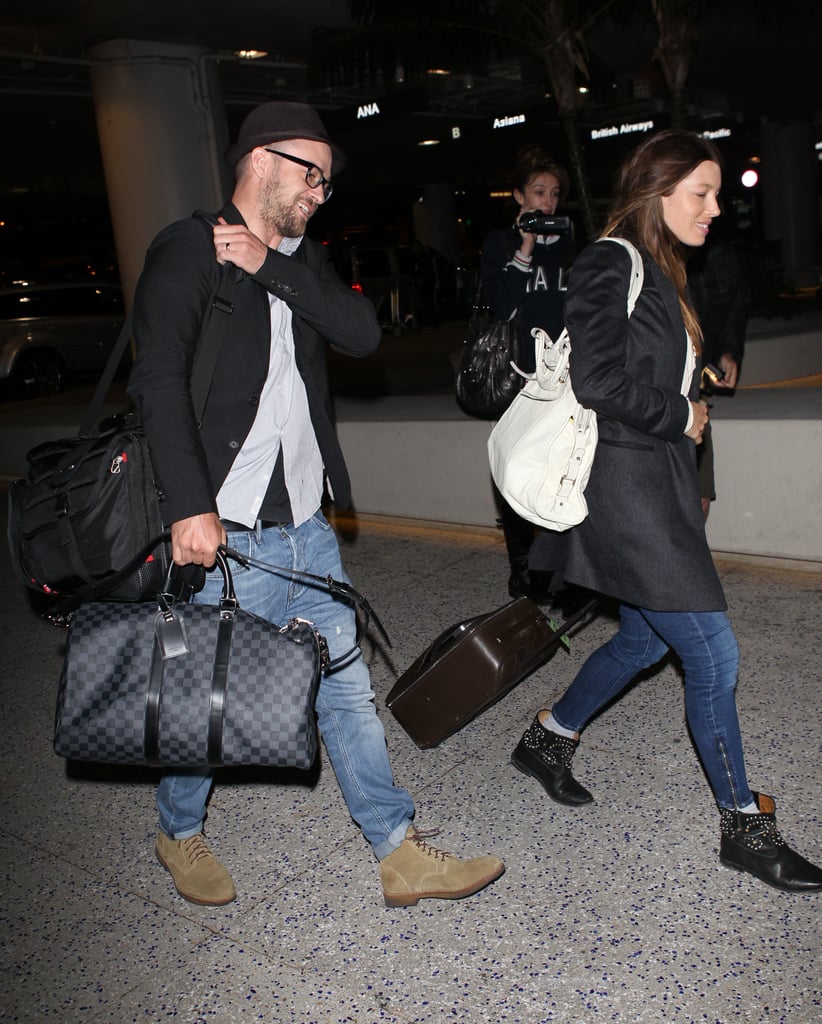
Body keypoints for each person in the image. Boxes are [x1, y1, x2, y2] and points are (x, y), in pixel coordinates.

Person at [128, 100, 504, 909]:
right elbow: (156, 382)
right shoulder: (186, 252)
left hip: (306, 523)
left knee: (345, 689)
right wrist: (187, 507)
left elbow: (362, 333)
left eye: (327, 183)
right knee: (210, 705)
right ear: (261, 159)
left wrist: (270, 264)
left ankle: (398, 850)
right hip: (225, 533)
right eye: (312, 174)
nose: (320, 193)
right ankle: (177, 831)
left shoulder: (298, 258)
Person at [511, 129, 822, 893]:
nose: (716, 209)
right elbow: (598, 380)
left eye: (717, 195)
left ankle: (547, 738)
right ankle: (744, 828)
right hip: (624, 491)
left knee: (646, 642)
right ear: (657, 191)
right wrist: (679, 415)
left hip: (658, 485)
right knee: (713, 656)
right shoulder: (609, 260)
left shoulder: (661, 267)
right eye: (702, 194)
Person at [480, 146, 574, 604]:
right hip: (521, 376)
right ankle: (524, 580)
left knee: (565, 470)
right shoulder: (500, 244)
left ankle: (561, 576)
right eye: (538, 192)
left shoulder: (574, 244)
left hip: (568, 376)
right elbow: (503, 308)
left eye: (554, 194)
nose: (547, 203)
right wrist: (525, 248)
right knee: (519, 474)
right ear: (518, 195)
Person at [687, 231, 749, 518]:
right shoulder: (643, 256)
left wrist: (727, 353)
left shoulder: (720, 256)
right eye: (701, 195)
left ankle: (690, 563)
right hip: (653, 399)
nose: (710, 207)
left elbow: (733, 311)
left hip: (695, 395)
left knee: (700, 495)